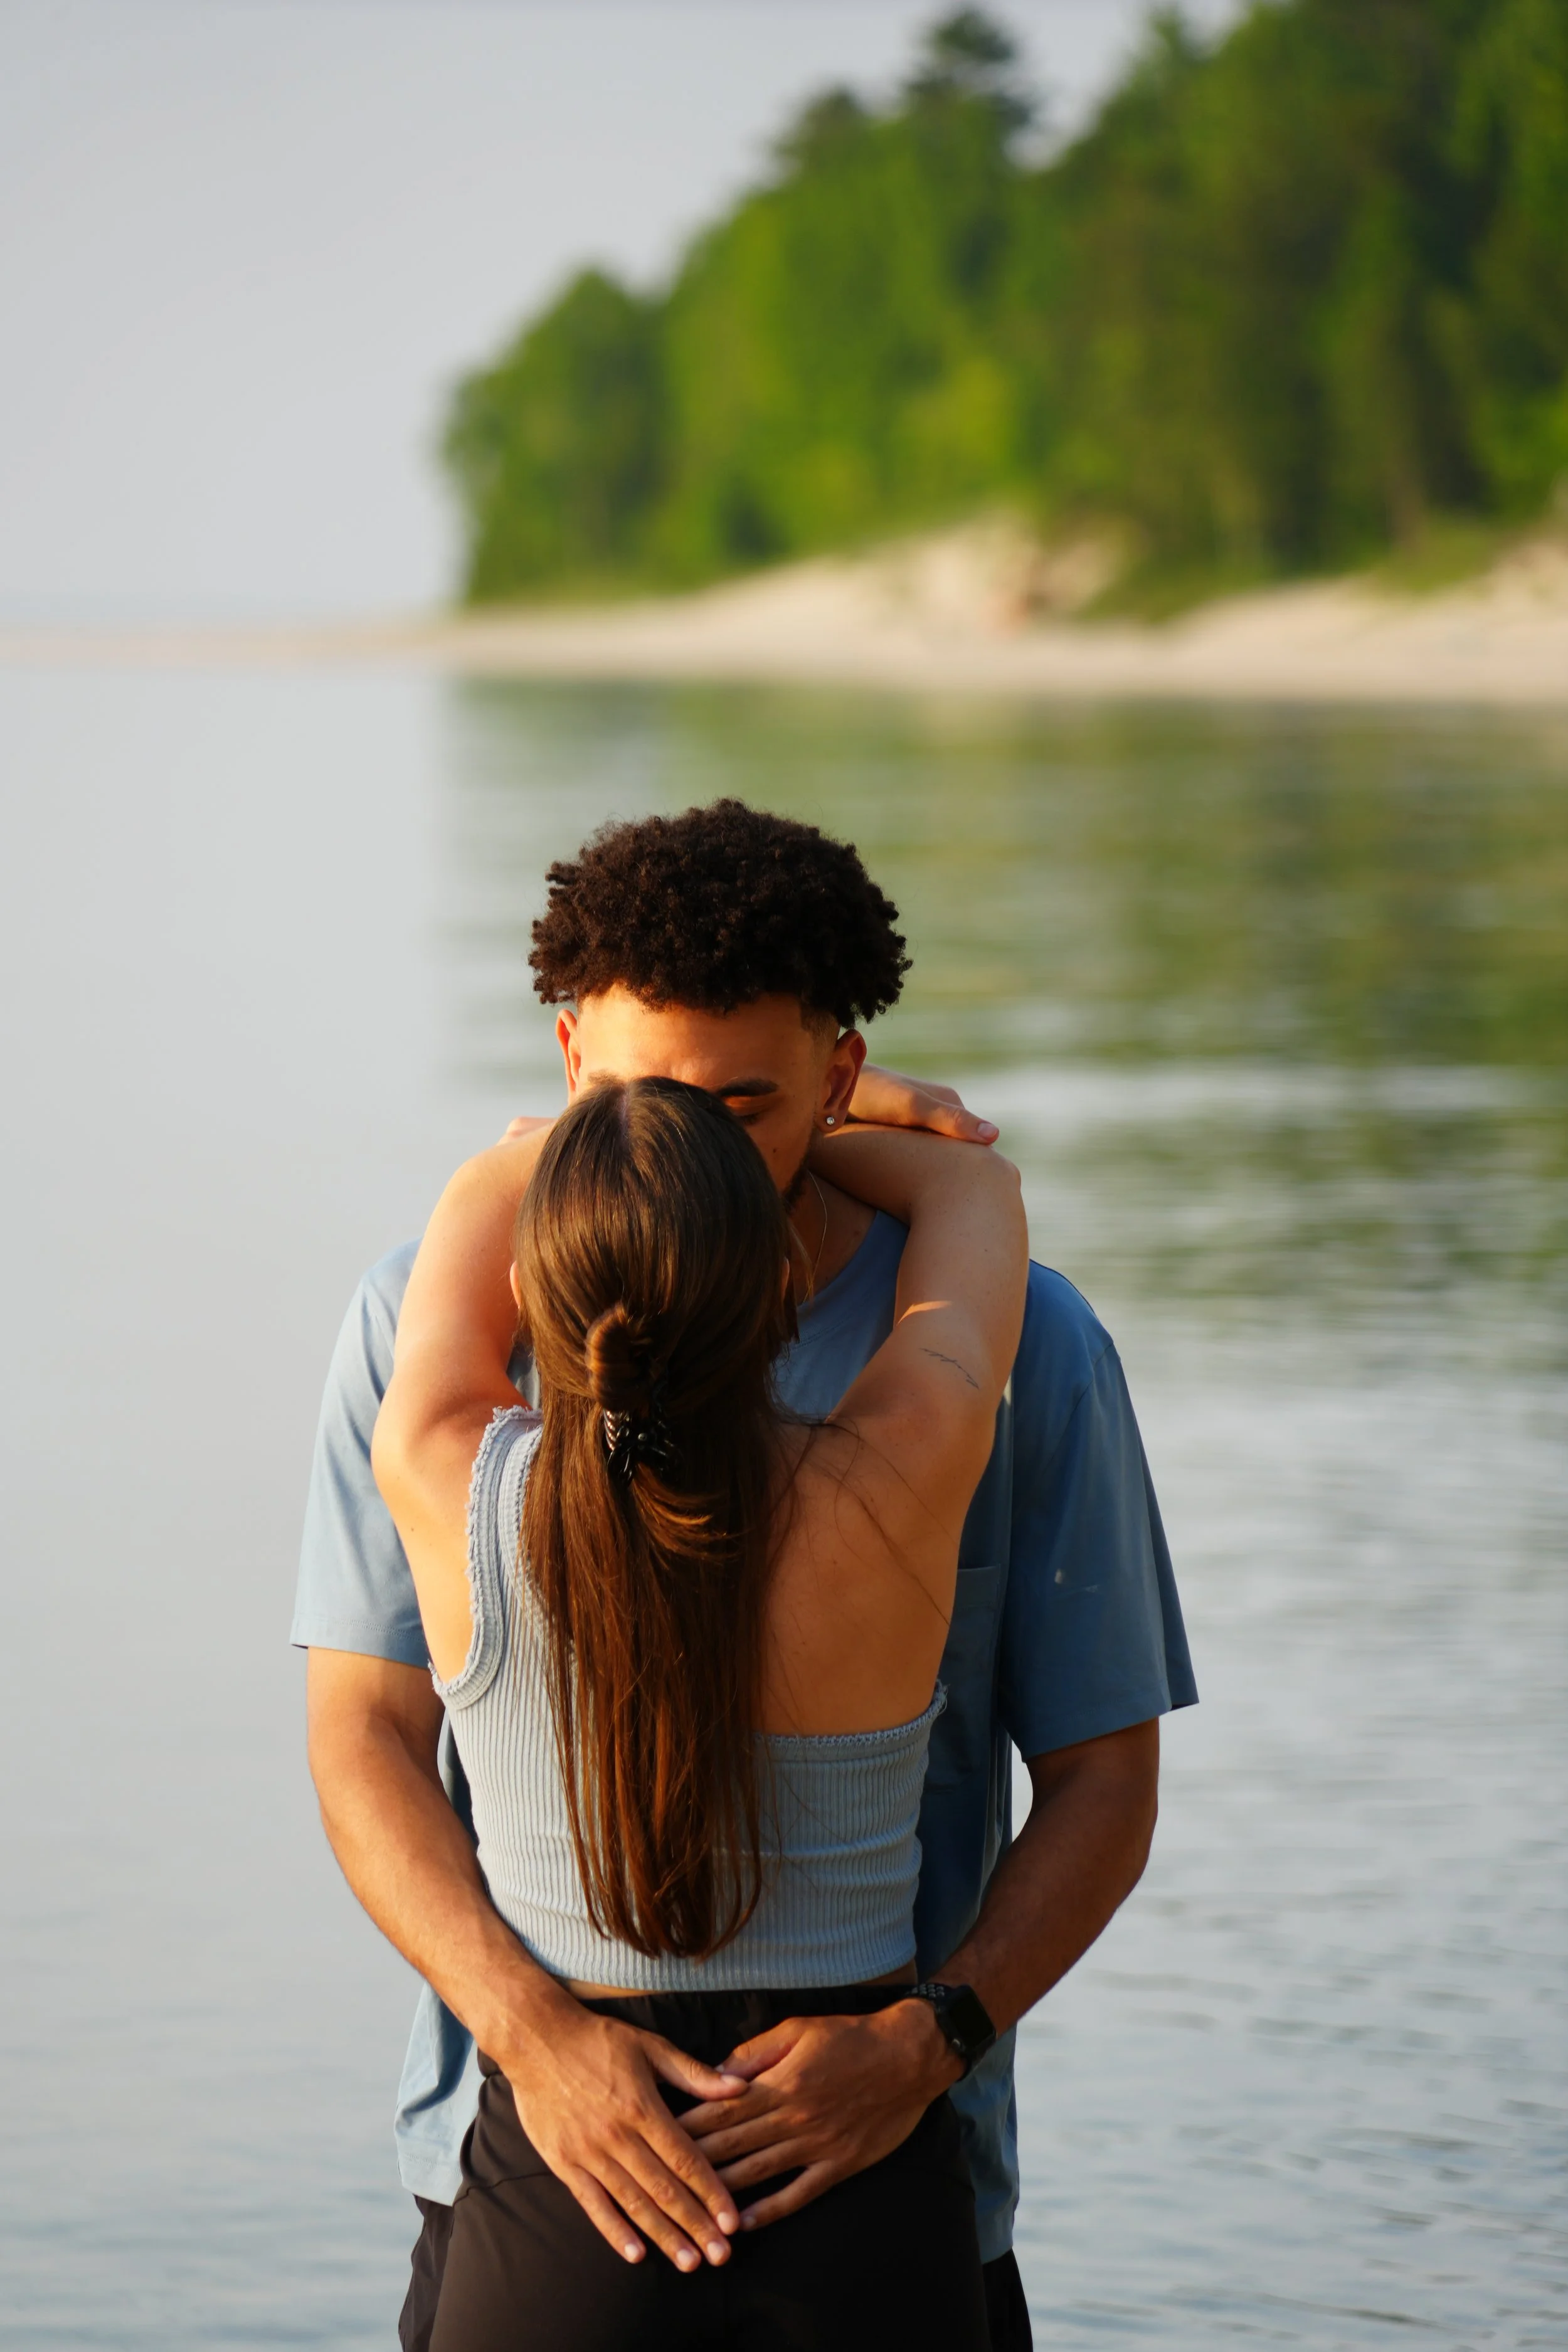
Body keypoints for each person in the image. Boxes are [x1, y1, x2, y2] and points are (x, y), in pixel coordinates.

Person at [294, 799, 1197, 2352]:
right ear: (570, 1057)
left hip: (889, 2136)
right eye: (648, 1098)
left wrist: (930, 2046)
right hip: (526, 2141)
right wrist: (529, 2038)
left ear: (836, 1069)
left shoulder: (1035, 1354)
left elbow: (1105, 1781)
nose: (690, 1148)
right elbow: (361, 1741)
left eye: (747, 1103)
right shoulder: (931, 1413)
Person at [371, 1076, 1029, 2346]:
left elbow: (471, 1194)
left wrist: (589, 1123)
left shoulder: (445, 1471)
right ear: (784, 1289)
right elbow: (972, 1184)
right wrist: (820, 1097)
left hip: (569, 2192)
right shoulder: (901, 1472)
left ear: (539, 1307)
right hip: (853, 2174)